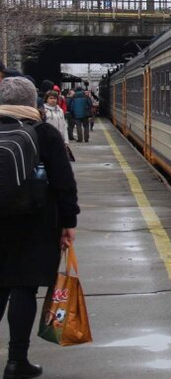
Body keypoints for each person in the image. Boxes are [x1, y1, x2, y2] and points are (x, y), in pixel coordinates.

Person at [0, 77, 80, 379]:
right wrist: (69, 222)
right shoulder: (43, 132)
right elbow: (64, 182)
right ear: (32, 101)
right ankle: (16, 361)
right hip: (35, 224)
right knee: (23, 289)